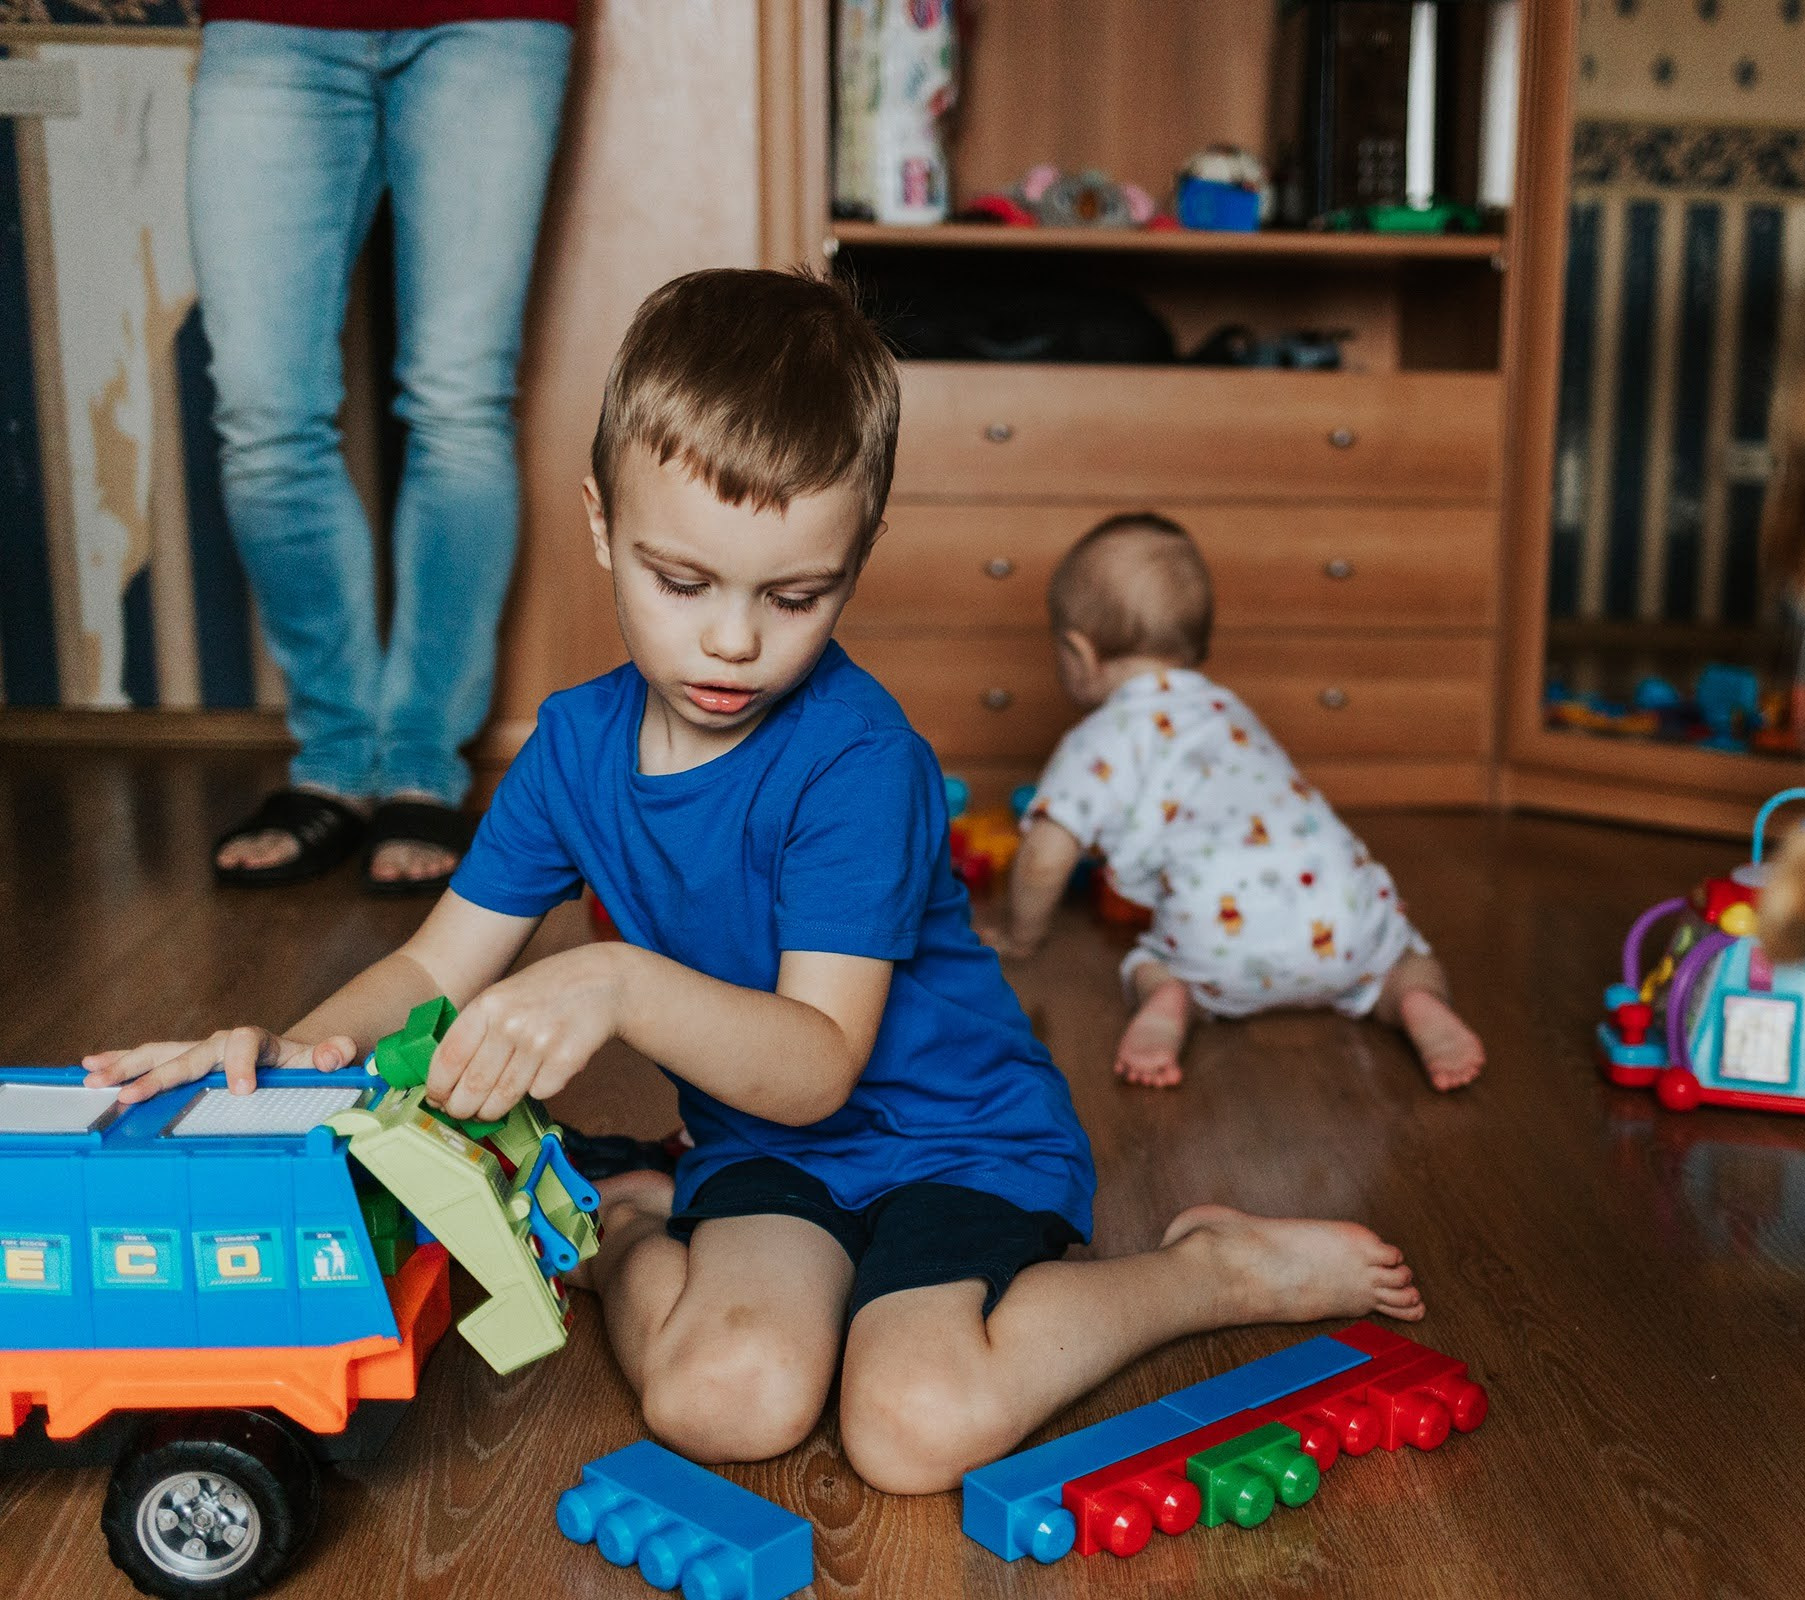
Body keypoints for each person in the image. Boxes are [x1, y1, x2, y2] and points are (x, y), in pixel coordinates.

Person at [83, 270, 1424, 1483]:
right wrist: (287, 1050)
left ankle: (1203, 1270)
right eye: (683, 580)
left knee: (915, 1424)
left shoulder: (860, 762)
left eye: (796, 596)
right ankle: (616, 1235)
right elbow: (438, 963)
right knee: (729, 1400)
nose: (733, 642)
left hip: (958, 1140)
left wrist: (609, 978)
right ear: (606, 528)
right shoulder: (571, 751)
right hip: (762, 1149)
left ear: (858, 555)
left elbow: (816, 1065)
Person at [189, 2, 575, 892]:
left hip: (493, 19)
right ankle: (337, 754)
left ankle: (417, 761)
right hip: (270, 19)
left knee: (459, 401)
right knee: (261, 410)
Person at [987, 514, 1488, 1092]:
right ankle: (1416, 1001)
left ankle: (1171, 999)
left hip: (1219, 940)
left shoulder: (1098, 738)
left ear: (1078, 652)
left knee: (1151, 964)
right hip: (1344, 914)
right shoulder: (1229, 711)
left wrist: (1022, 935)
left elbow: (1046, 855)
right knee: (1406, 959)